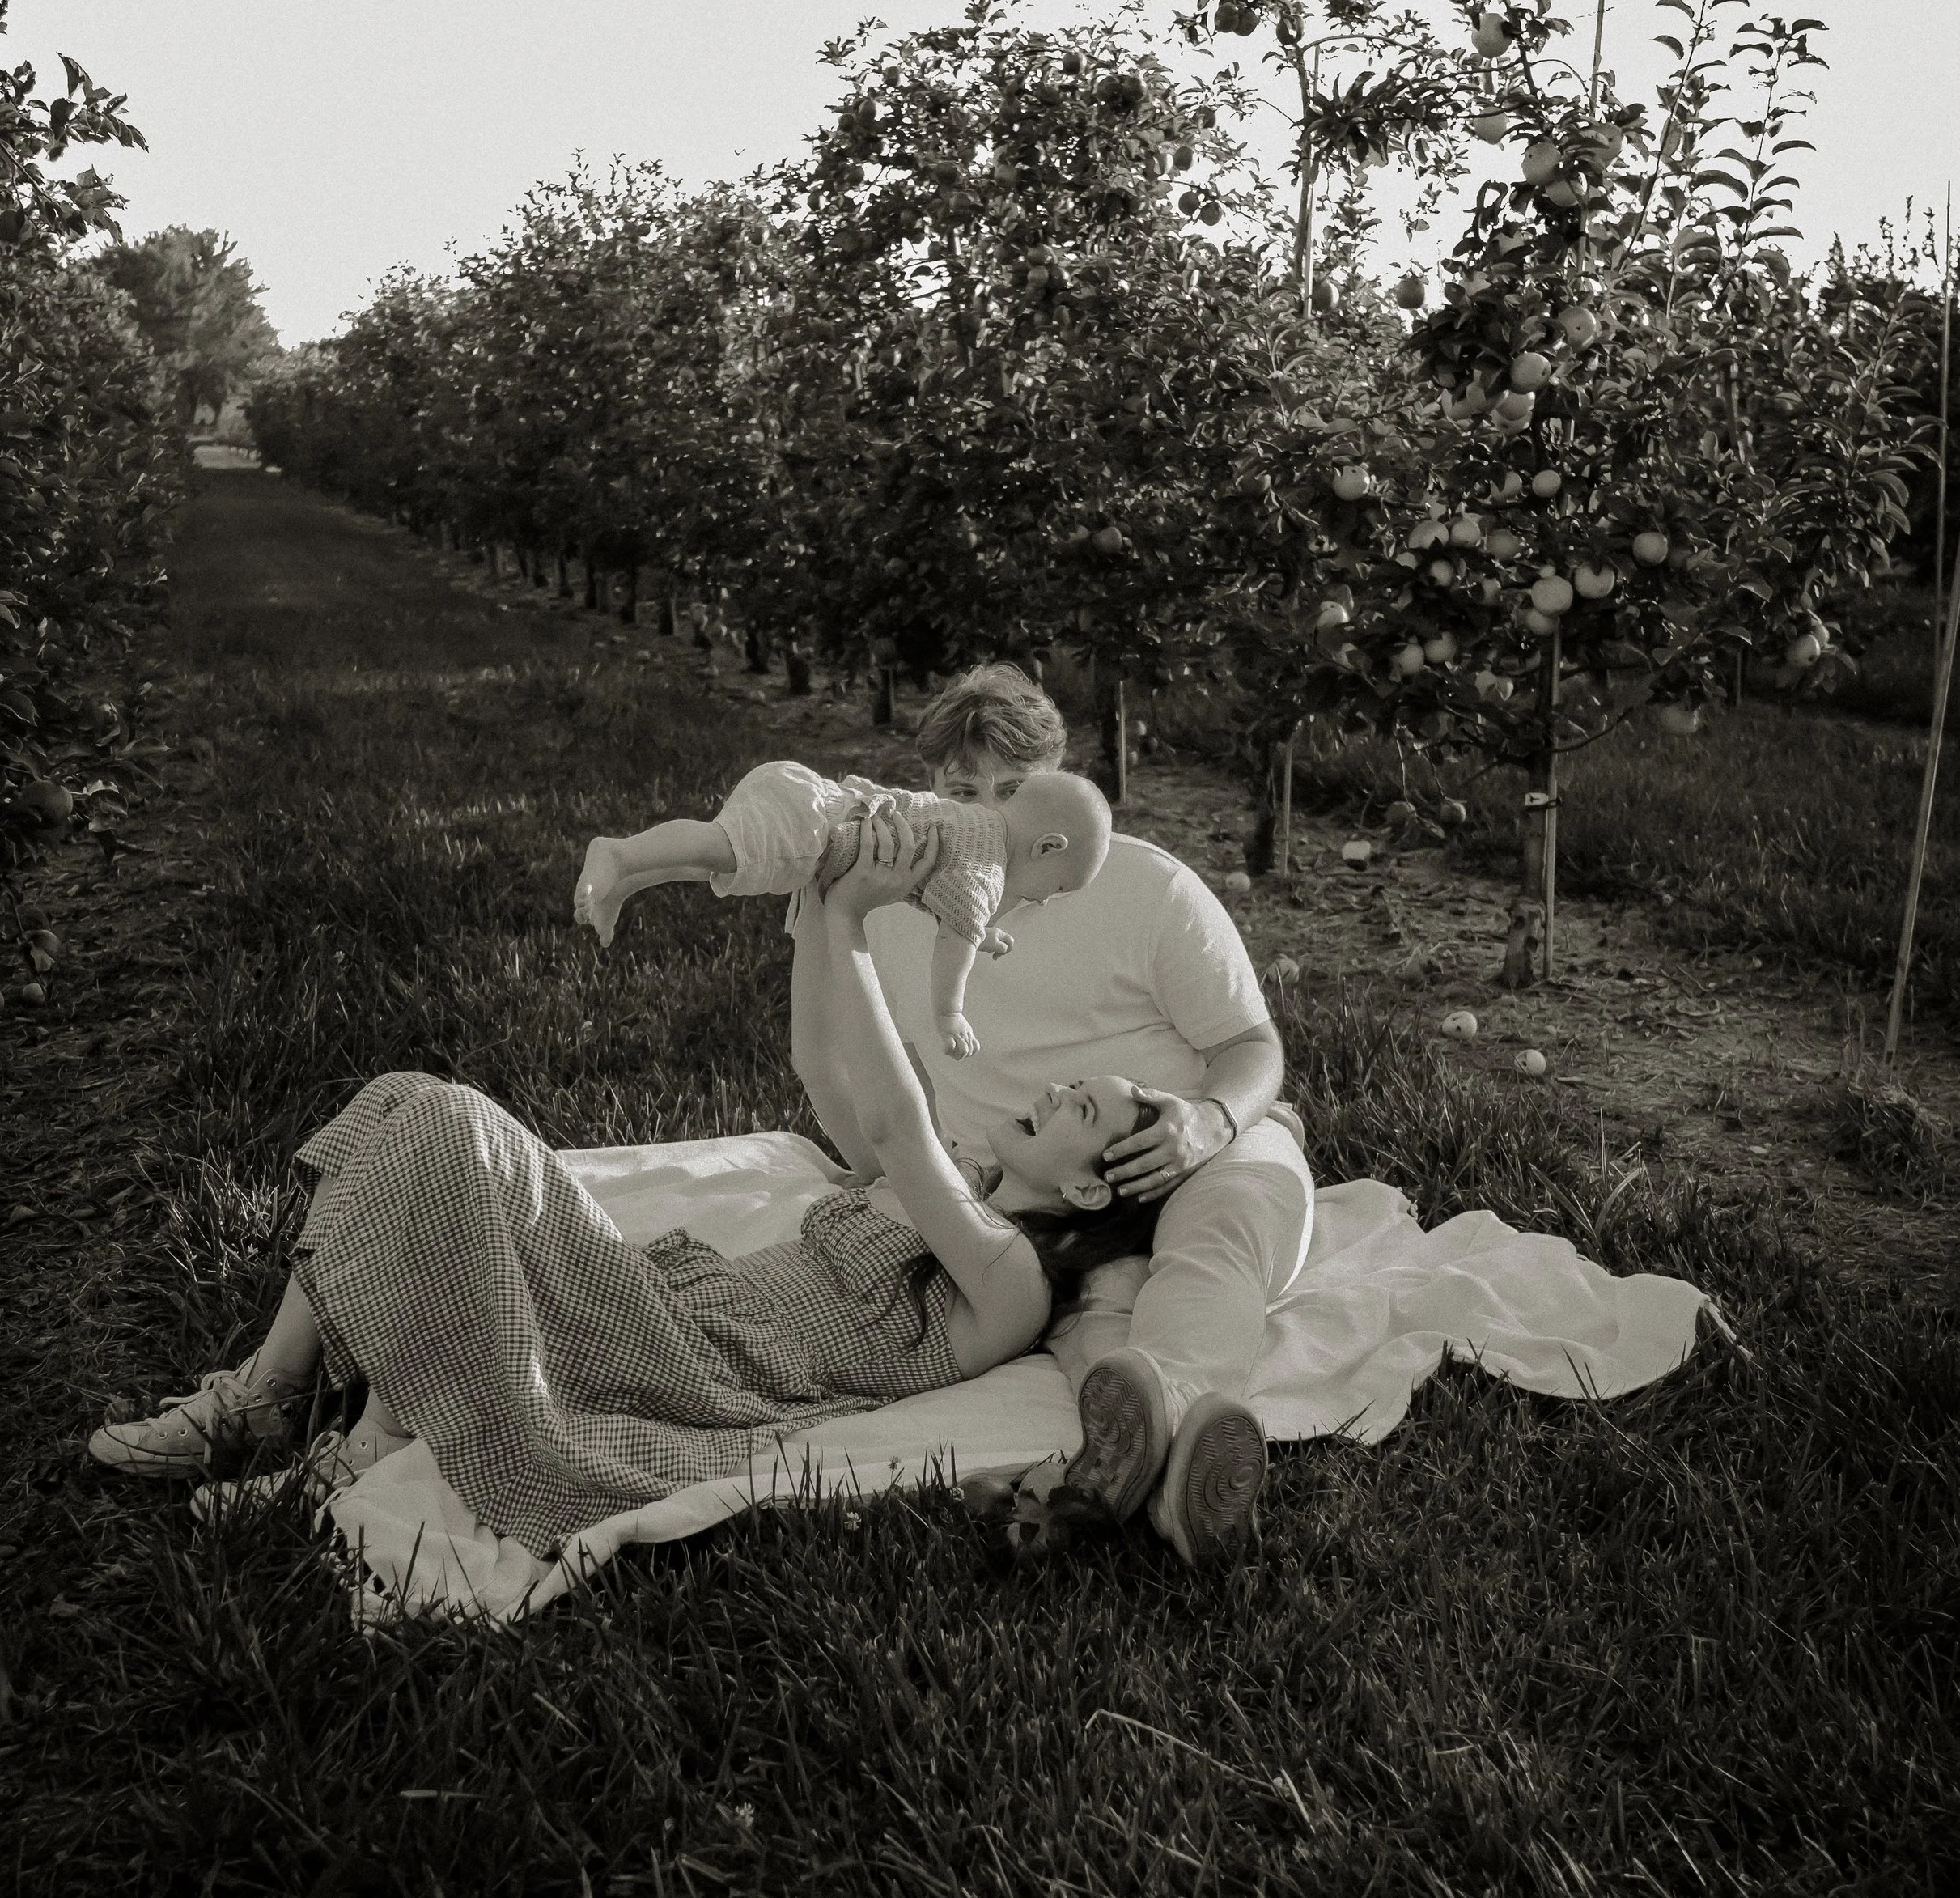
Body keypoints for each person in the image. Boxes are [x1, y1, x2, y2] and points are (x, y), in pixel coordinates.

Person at [87, 817, 1162, 1556]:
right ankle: (270, 1397)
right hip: (648, 1296)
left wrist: (860, 916)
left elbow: (893, 1114)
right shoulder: (958, 1183)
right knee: (406, 1092)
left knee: (454, 1127)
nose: (1060, 1085)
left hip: (688, 1366)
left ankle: (349, 1439)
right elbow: (830, 1073)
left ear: (1088, 1182)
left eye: (1087, 1106)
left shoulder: (1010, 1279)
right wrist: (832, 914)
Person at [802, 661, 1314, 1565]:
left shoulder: (1148, 886)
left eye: (1011, 792)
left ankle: (1174, 1407)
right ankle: (1163, 1493)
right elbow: (847, 1074)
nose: (987, 818)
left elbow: (1252, 1049)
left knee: (1214, 1242)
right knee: (1093, 1323)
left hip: (1180, 1144)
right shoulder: (891, 899)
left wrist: (1211, 1123)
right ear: (930, 787)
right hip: (1030, 1192)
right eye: (963, 790)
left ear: (1059, 784)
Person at [572, 758, 1111, 1058]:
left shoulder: (977, 832)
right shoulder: (989, 870)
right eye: (1056, 888)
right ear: (1047, 848)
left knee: (722, 860)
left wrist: (979, 933)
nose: (1043, 900)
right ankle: (618, 852)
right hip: (814, 828)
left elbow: (946, 906)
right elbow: (955, 938)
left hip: (813, 806)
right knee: (716, 846)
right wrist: (949, 1013)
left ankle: (624, 884)